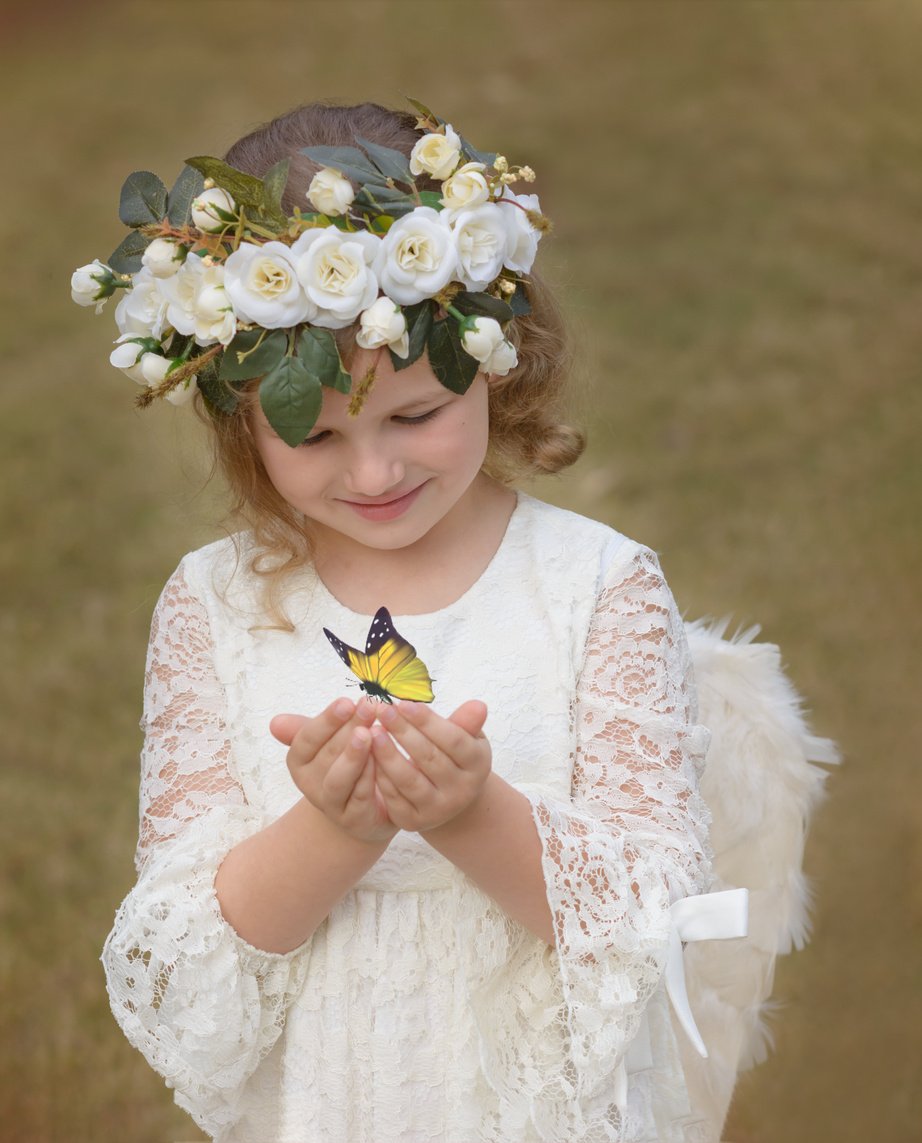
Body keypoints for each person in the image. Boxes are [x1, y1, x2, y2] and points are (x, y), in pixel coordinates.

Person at [78, 100, 756, 1143]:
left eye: (415, 416)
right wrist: (334, 830)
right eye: (314, 432)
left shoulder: (596, 586)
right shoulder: (211, 606)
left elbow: (648, 925)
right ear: (240, 419)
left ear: (493, 359)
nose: (377, 471)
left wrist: (468, 815)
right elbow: (188, 971)